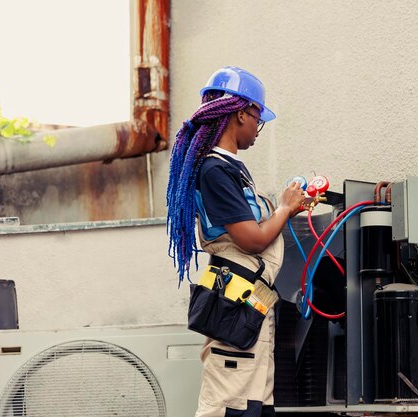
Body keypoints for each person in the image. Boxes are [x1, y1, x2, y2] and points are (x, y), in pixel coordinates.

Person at [166, 66, 305, 417]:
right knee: (228, 406)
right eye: (257, 119)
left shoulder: (230, 167)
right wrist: (285, 209)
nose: (258, 129)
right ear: (240, 113)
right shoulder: (214, 170)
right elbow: (252, 239)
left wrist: (287, 209)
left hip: (252, 299)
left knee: (254, 404)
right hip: (236, 299)